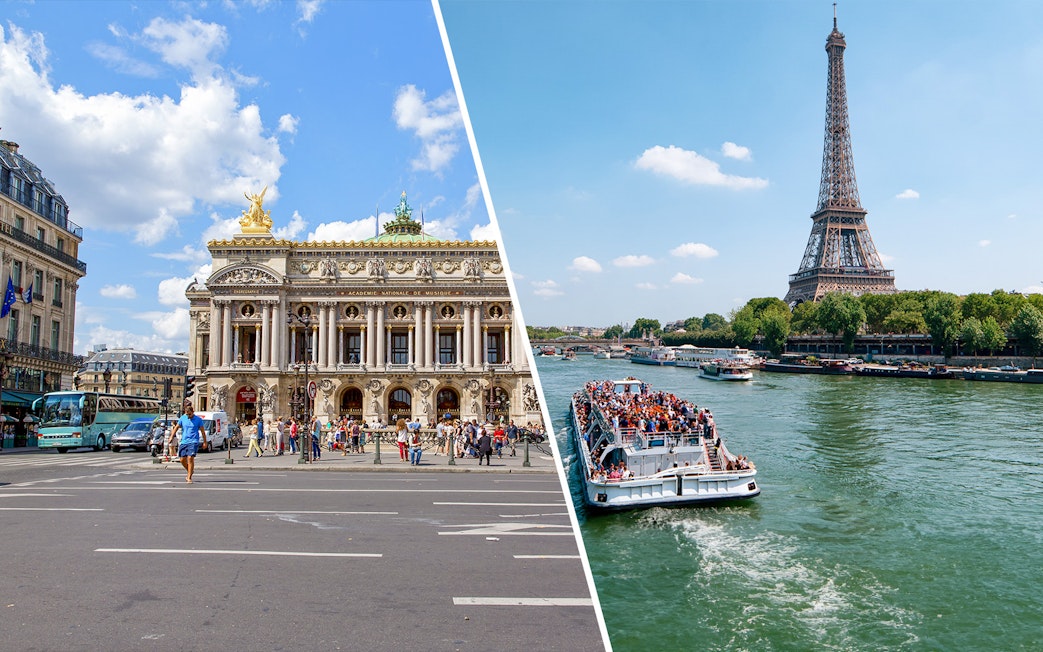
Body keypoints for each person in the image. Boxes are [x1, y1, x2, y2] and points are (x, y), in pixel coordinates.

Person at [169, 402, 208, 484]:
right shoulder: (183, 418)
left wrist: (205, 442)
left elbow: (203, 432)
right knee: (182, 459)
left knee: (190, 458)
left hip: (193, 441)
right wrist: (171, 436)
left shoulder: (198, 420)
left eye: (189, 414)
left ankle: (189, 477)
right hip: (184, 441)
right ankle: (190, 470)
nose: (188, 416)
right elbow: (176, 427)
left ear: (192, 412)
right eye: (187, 414)